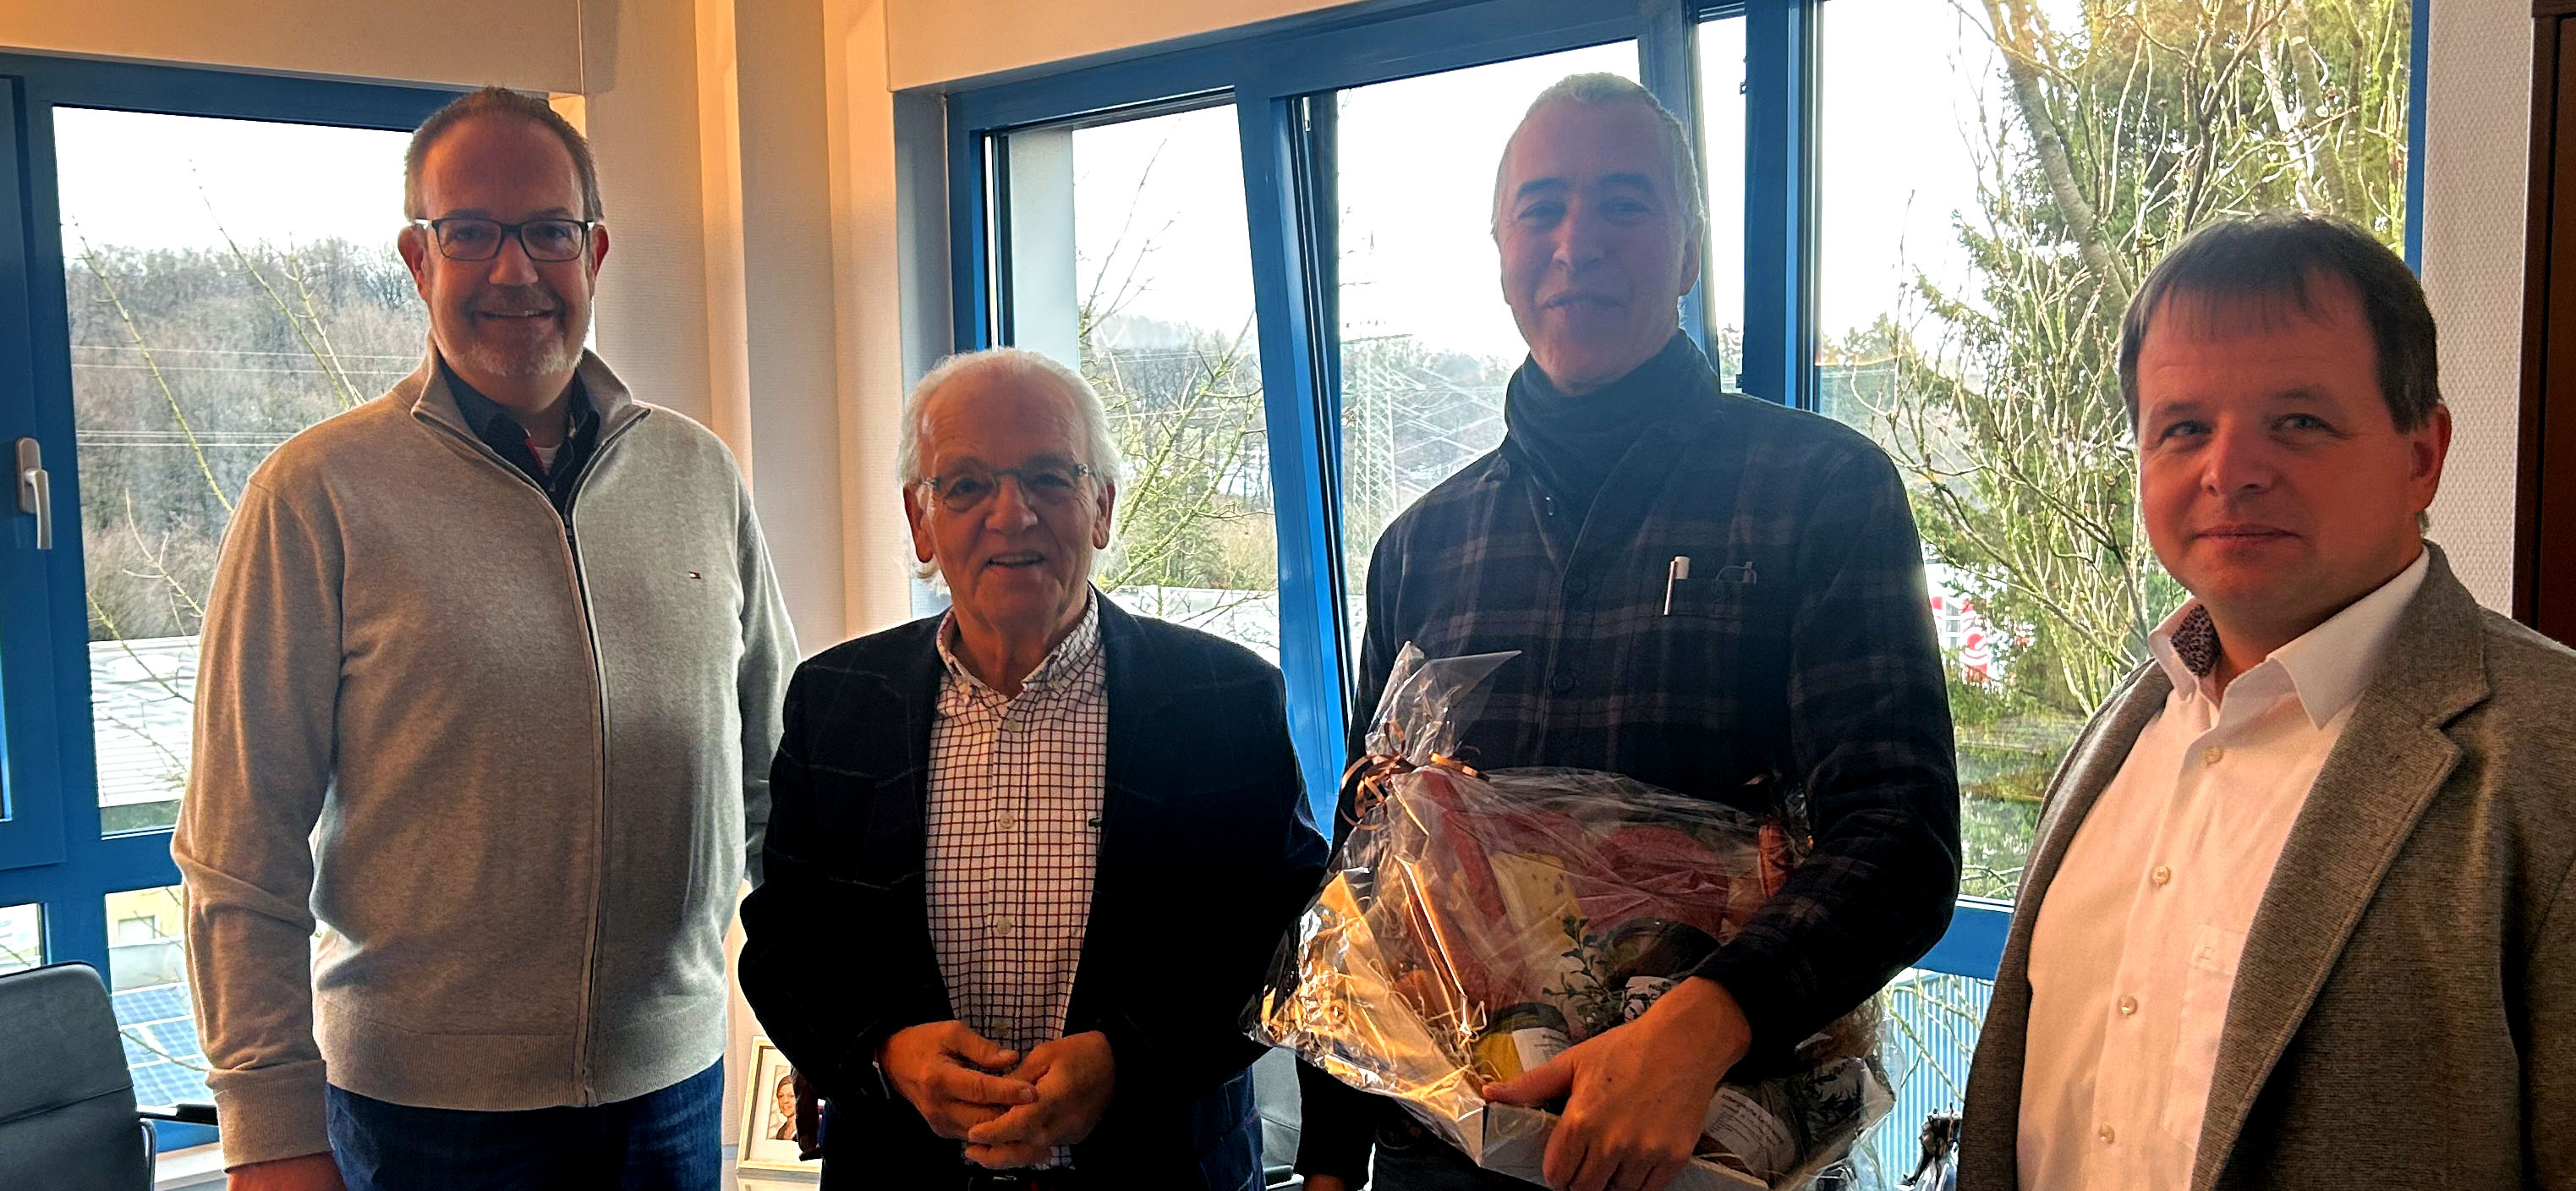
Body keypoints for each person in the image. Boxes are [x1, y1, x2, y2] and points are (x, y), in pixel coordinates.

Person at [1954, 214, 2576, 1189]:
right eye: (2182, 428)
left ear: (2420, 454)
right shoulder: (2123, 731)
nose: (2228, 470)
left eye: (2297, 421)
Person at [1293, 74, 1963, 1191]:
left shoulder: (1819, 492)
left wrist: (1702, 1024)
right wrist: (1326, 1158)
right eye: (1542, 208)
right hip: (1443, 1155)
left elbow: (1902, 838)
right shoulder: (1421, 545)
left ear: (1689, 250)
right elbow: (1374, 869)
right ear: (1501, 249)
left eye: (1624, 203)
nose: (1577, 243)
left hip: (1710, 1145)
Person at [177, 86, 797, 1191]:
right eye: (470, 233)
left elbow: (774, 787)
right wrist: (270, 1132)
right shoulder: (317, 495)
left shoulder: (697, 474)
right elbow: (239, 850)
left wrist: (832, 1024)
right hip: (419, 1120)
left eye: (548, 232)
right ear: (418, 260)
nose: (515, 272)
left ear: (593, 252)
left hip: (670, 1094)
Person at [739, 349, 1329, 1190]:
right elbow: (785, 940)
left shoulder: (1227, 700)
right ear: (919, 520)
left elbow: (1283, 940)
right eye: (966, 485)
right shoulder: (835, 702)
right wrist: (883, 1049)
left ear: (1101, 506)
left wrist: (1129, 1058)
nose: (1011, 515)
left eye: (1049, 478)